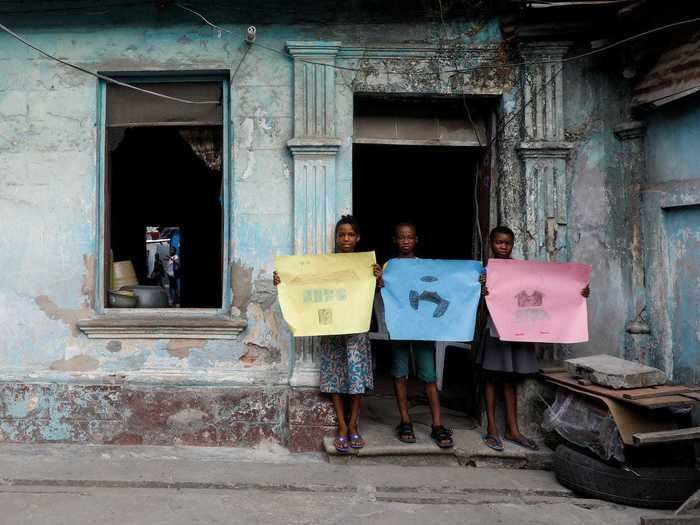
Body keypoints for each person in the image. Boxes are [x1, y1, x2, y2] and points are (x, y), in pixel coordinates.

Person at [273, 215, 382, 453]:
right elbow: (303, 283)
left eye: (350, 234)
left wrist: (377, 277)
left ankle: (354, 425)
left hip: (356, 329)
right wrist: (284, 281)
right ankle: (342, 427)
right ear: (336, 238)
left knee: (356, 378)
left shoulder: (365, 266)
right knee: (335, 378)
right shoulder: (325, 264)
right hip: (331, 328)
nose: (346, 238)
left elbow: (378, 290)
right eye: (341, 234)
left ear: (358, 238)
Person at [478, 226, 589, 452]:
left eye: (507, 243)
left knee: (510, 380)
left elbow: (551, 288)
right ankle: (491, 428)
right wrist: (482, 288)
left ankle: (513, 429)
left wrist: (578, 291)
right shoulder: (485, 270)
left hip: (516, 329)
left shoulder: (522, 270)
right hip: (494, 328)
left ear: (512, 244)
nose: (503, 247)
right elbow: (473, 300)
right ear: (491, 243)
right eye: (499, 242)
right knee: (490, 378)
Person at [376, 222, 453, 448]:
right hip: (400, 327)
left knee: (429, 375)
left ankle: (437, 424)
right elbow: (382, 292)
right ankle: (405, 421)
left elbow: (444, 285)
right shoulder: (389, 267)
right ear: (395, 240)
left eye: (409, 237)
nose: (405, 241)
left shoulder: (426, 266)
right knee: (400, 373)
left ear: (416, 240)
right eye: (401, 237)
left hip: (422, 328)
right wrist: (379, 282)